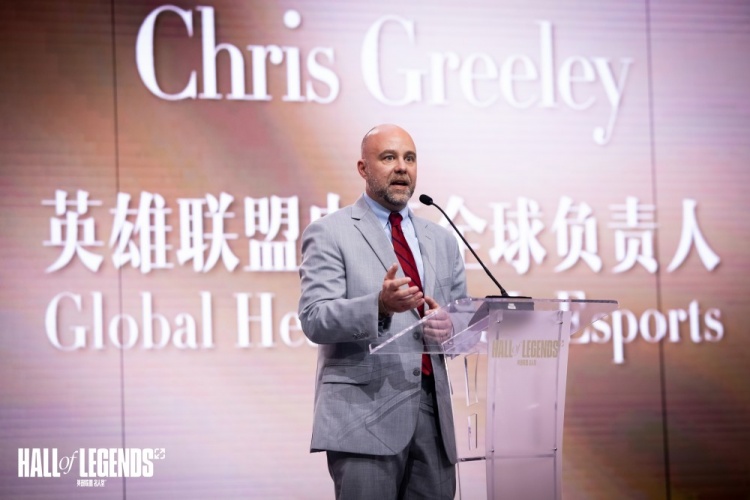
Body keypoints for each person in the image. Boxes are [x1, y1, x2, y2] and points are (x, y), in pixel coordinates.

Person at [298, 124, 467, 499]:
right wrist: (379, 306)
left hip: (433, 416)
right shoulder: (330, 232)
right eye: (389, 157)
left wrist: (450, 327)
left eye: (409, 158)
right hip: (363, 417)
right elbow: (315, 318)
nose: (402, 167)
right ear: (363, 168)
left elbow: (460, 316)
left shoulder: (442, 240)